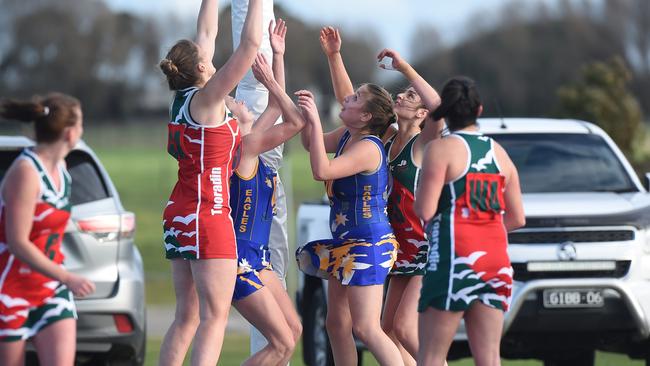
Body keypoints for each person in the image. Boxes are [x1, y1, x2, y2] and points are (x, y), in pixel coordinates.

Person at [319, 26, 444, 364]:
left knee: (403, 328)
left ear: (421, 115)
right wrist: (335, 58)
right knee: (387, 329)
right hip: (396, 245)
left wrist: (404, 68)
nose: (401, 96)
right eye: (401, 94)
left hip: (423, 246)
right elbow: (354, 110)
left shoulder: (423, 143)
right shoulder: (385, 139)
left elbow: (439, 107)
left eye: (410, 97)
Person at [157, 0, 262, 364]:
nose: (212, 55)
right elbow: (249, 47)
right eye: (207, 57)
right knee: (214, 317)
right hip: (207, 213)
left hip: (179, 213)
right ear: (202, 67)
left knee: (186, 316)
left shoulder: (183, 98)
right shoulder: (208, 98)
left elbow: (207, 31)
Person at [413, 77, 526, 366]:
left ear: (446, 113)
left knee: (431, 356)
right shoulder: (500, 153)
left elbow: (425, 210)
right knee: (489, 357)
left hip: (455, 259)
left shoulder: (441, 149)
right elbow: (517, 217)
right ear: (479, 110)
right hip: (496, 260)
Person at [295, 81, 404, 365]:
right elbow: (310, 143)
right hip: (348, 245)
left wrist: (315, 120)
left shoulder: (369, 147)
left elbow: (322, 170)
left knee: (366, 328)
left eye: (356, 98)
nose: (346, 99)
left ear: (366, 116)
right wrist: (306, 117)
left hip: (369, 245)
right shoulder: (347, 135)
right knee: (335, 323)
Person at [0, 94, 96, 366]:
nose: (82, 130)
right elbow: (18, 242)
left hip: (51, 288)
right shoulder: (26, 172)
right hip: (10, 289)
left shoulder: (63, 170)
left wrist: (60, 279)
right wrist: (67, 276)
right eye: (81, 124)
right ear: (69, 132)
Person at [229, 21, 302, 366]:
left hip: (259, 258)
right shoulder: (245, 147)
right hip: (241, 262)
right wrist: (270, 80)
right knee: (281, 344)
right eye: (238, 104)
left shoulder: (252, 145)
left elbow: (275, 107)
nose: (244, 104)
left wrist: (278, 54)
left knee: (294, 331)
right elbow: (295, 120)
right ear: (233, 118)